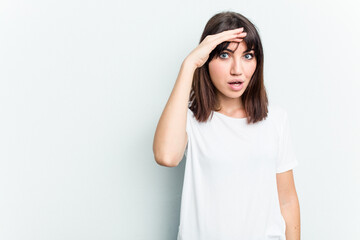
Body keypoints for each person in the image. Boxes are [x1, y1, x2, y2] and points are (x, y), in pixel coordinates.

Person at [153, 11, 300, 240]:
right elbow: (166, 156)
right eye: (224, 55)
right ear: (206, 61)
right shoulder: (190, 120)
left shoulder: (276, 119)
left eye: (248, 56)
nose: (237, 69)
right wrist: (189, 64)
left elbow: (287, 199)